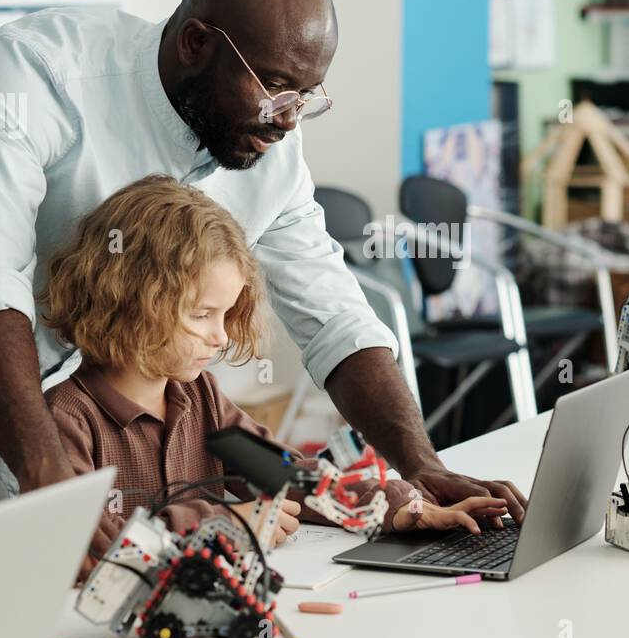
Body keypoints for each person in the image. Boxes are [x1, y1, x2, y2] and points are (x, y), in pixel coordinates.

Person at [0, 0, 524, 584]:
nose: (288, 121)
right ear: (196, 43)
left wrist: (417, 469)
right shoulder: (38, 72)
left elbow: (334, 315)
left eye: (306, 98)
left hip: (60, 439)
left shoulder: (201, 399)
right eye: (277, 87)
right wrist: (54, 487)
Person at [40, 176, 505, 575]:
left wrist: (404, 508)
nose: (220, 337)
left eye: (225, 316)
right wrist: (222, 523)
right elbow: (85, 544)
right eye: (202, 315)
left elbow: (293, 479)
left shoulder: (198, 396)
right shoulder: (66, 417)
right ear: (131, 301)